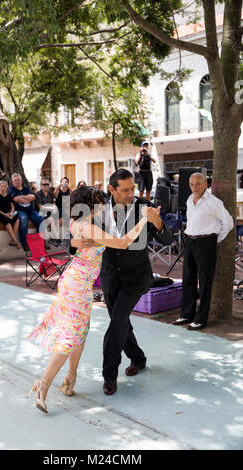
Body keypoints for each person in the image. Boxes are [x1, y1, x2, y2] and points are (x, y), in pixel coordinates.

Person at [27, 185, 149, 413]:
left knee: (79, 333)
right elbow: (122, 243)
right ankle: (42, 384)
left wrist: (74, 242)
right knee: (70, 337)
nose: (103, 203)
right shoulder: (88, 227)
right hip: (76, 285)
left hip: (77, 283)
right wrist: (144, 220)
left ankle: (70, 380)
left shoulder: (78, 223)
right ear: (91, 204)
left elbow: (75, 239)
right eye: (99, 200)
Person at [70, 169, 173, 396]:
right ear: (112, 189)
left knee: (117, 322)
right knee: (121, 323)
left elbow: (168, 239)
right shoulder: (98, 207)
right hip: (109, 277)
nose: (130, 193)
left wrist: (158, 224)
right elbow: (73, 238)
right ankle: (138, 358)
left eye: (132, 188)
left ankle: (109, 376)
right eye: (125, 189)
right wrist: (77, 241)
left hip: (136, 277)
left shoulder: (145, 207)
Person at [173, 172, 234, 331]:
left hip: (206, 242)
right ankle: (187, 314)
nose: (194, 187)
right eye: (192, 184)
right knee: (188, 279)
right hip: (190, 241)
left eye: (198, 183)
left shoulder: (213, 202)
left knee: (205, 282)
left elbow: (228, 223)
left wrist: (214, 239)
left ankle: (201, 319)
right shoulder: (189, 200)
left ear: (205, 184)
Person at [8, 173, 45, 251]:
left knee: (40, 218)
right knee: (24, 219)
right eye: (15, 180)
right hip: (20, 211)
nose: (17, 181)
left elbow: (33, 197)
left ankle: (41, 241)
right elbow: (16, 199)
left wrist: (22, 197)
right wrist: (27, 197)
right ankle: (24, 243)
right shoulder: (11, 189)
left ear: (21, 180)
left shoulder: (26, 189)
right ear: (12, 181)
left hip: (31, 210)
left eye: (18, 180)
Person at [36, 178, 61, 247]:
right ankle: (55, 238)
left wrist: (54, 207)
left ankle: (54, 238)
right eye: (44, 184)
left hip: (50, 214)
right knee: (52, 220)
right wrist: (50, 208)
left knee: (57, 218)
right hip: (42, 214)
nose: (46, 186)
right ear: (41, 185)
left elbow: (53, 203)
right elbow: (40, 206)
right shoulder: (38, 193)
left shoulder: (50, 193)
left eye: (47, 184)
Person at [0, 180, 21, 249]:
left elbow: (12, 206)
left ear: (7, 187)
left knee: (17, 220)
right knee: (8, 222)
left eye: (5, 186)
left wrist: (12, 213)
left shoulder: (9, 196)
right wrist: (5, 214)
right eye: (2, 186)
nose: (3, 188)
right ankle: (16, 241)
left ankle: (12, 240)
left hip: (9, 213)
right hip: (1, 213)